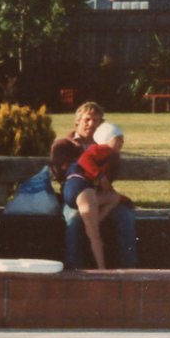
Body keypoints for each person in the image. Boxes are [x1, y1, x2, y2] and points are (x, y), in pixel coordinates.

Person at [52, 101, 138, 270]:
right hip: (75, 198)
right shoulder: (63, 145)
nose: (91, 124)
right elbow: (62, 173)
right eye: (87, 119)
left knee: (125, 215)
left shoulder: (108, 148)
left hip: (101, 197)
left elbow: (110, 176)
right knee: (74, 218)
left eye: (96, 121)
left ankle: (129, 267)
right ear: (77, 121)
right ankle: (74, 266)